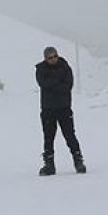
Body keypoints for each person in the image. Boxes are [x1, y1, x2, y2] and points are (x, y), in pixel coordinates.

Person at [34, 46, 85, 175]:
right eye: (50, 57)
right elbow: (44, 84)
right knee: (48, 138)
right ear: (45, 59)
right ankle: (49, 164)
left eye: (55, 56)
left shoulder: (65, 67)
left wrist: (54, 83)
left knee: (70, 135)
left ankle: (78, 161)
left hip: (64, 108)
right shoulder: (40, 69)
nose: (53, 59)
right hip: (48, 109)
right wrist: (58, 82)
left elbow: (68, 85)